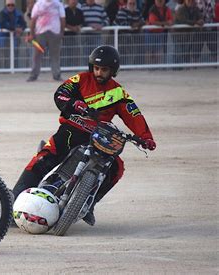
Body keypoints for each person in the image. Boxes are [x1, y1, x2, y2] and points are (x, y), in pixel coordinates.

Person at [12, 45, 156, 226]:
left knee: (116, 168)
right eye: (96, 68)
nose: (99, 73)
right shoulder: (80, 79)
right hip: (72, 130)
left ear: (113, 71)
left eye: (104, 70)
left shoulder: (118, 92)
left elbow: (133, 114)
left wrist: (146, 137)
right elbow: (60, 95)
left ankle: (90, 205)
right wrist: (78, 105)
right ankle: (14, 197)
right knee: (43, 158)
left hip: (100, 136)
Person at [26, 0, 66, 82]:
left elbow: (62, 18)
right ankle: (33, 75)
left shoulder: (58, 4)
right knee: (36, 55)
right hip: (40, 33)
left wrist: (61, 32)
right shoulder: (38, 4)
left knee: (55, 55)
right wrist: (32, 34)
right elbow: (33, 19)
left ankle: (56, 75)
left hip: (54, 33)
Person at [0, 0, 27, 69]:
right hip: (2, 40)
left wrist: (20, 30)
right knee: (3, 58)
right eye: (8, 5)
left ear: (14, 6)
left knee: (14, 56)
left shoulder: (18, 13)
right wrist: (16, 29)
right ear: (6, 6)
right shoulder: (2, 13)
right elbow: (3, 24)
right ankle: (3, 73)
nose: (10, 6)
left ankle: (13, 71)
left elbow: (24, 24)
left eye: (12, 5)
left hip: (14, 39)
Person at [114, 0, 145, 65]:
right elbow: (123, 24)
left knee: (132, 53)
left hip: (132, 37)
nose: (132, 5)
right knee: (122, 54)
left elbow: (143, 21)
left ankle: (130, 66)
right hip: (120, 37)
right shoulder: (122, 11)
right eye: (130, 3)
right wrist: (134, 25)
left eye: (133, 3)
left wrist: (136, 25)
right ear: (127, 3)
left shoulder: (137, 11)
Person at [145, 0, 173, 64]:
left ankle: (158, 67)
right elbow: (153, 22)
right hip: (150, 32)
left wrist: (168, 23)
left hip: (160, 33)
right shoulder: (152, 9)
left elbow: (171, 20)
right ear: (155, 1)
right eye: (158, 0)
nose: (160, 1)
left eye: (161, 0)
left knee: (159, 51)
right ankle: (148, 67)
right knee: (149, 51)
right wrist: (166, 23)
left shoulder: (167, 9)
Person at [64, 0, 84, 67]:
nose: (74, 1)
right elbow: (63, 22)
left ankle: (75, 66)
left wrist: (79, 26)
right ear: (68, 1)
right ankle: (66, 67)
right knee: (66, 52)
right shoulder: (64, 11)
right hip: (66, 36)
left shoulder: (80, 11)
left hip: (76, 35)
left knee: (76, 51)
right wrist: (71, 27)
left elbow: (83, 22)